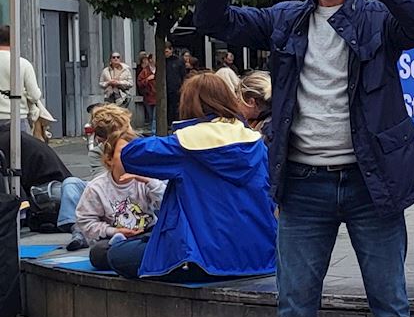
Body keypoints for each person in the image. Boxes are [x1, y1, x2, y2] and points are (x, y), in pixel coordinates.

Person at [194, 0, 414, 317]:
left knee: (392, 311)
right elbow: (214, 20)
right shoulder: (285, 19)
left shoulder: (378, 18)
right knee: (293, 315)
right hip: (303, 188)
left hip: (372, 186)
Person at [109, 72, 275, 281]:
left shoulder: (184, 146)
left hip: (202, 259)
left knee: (115, 255)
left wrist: (124, 128)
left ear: (188, 104)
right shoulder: (256, 143)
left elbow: (130, 154)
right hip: (261, 255)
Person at [79, 129, 166, 271]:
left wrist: (149, 181)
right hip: (113, 237)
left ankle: (141, 256)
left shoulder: (147, 181)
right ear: (109, 159)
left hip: (147, 233)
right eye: (124, 152)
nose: (131, 157)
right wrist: (113, 231)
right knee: (98, 253)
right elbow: (85, 222)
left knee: (166, 242)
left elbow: (166, 204)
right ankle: (123, 252)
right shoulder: (96, 187)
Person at [0, 25, 44, 132]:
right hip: (17, 117)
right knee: (21, 143)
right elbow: (34, 95)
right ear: (14, 41)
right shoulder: (23, 64)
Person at [239, 70, 273, 136]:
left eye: (239, 100)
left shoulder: (264, 131)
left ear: (251, 102)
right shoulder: (275, 120)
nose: (237, 105)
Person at [163, 43, 186, 123]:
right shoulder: (162, 62)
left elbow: (183, 75)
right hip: (166, 90)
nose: (165, 54)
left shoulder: (179, 61)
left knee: (176, 108)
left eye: (167, 51)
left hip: (176, 89)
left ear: (171, 50)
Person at [135, 52, 158, 131]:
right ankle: (151, 130)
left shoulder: (160, 70)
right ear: (150, 60)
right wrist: (148, 79)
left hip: (157, 97)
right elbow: (139, 83)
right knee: (150, 116)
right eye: (154, 58)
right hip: (148, 97)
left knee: (155, 117)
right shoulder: (145, 71)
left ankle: (154, 132)